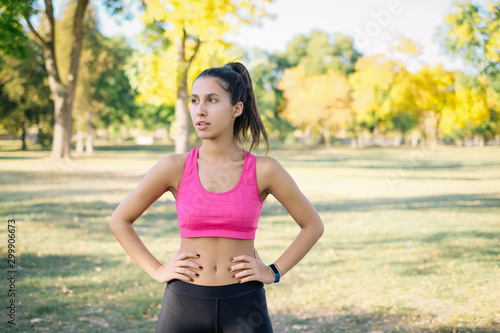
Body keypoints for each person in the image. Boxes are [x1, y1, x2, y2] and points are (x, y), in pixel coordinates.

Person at [109, 62, 324, 333]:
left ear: (237, 108)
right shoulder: (174, 167)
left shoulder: (264, 170)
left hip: (245, 306)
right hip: (184, 305)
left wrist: (273, 271)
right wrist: (157, 269)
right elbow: (120, 220)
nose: (200, 110)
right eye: (195, 100)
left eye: (212, 100)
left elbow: (312, 225)